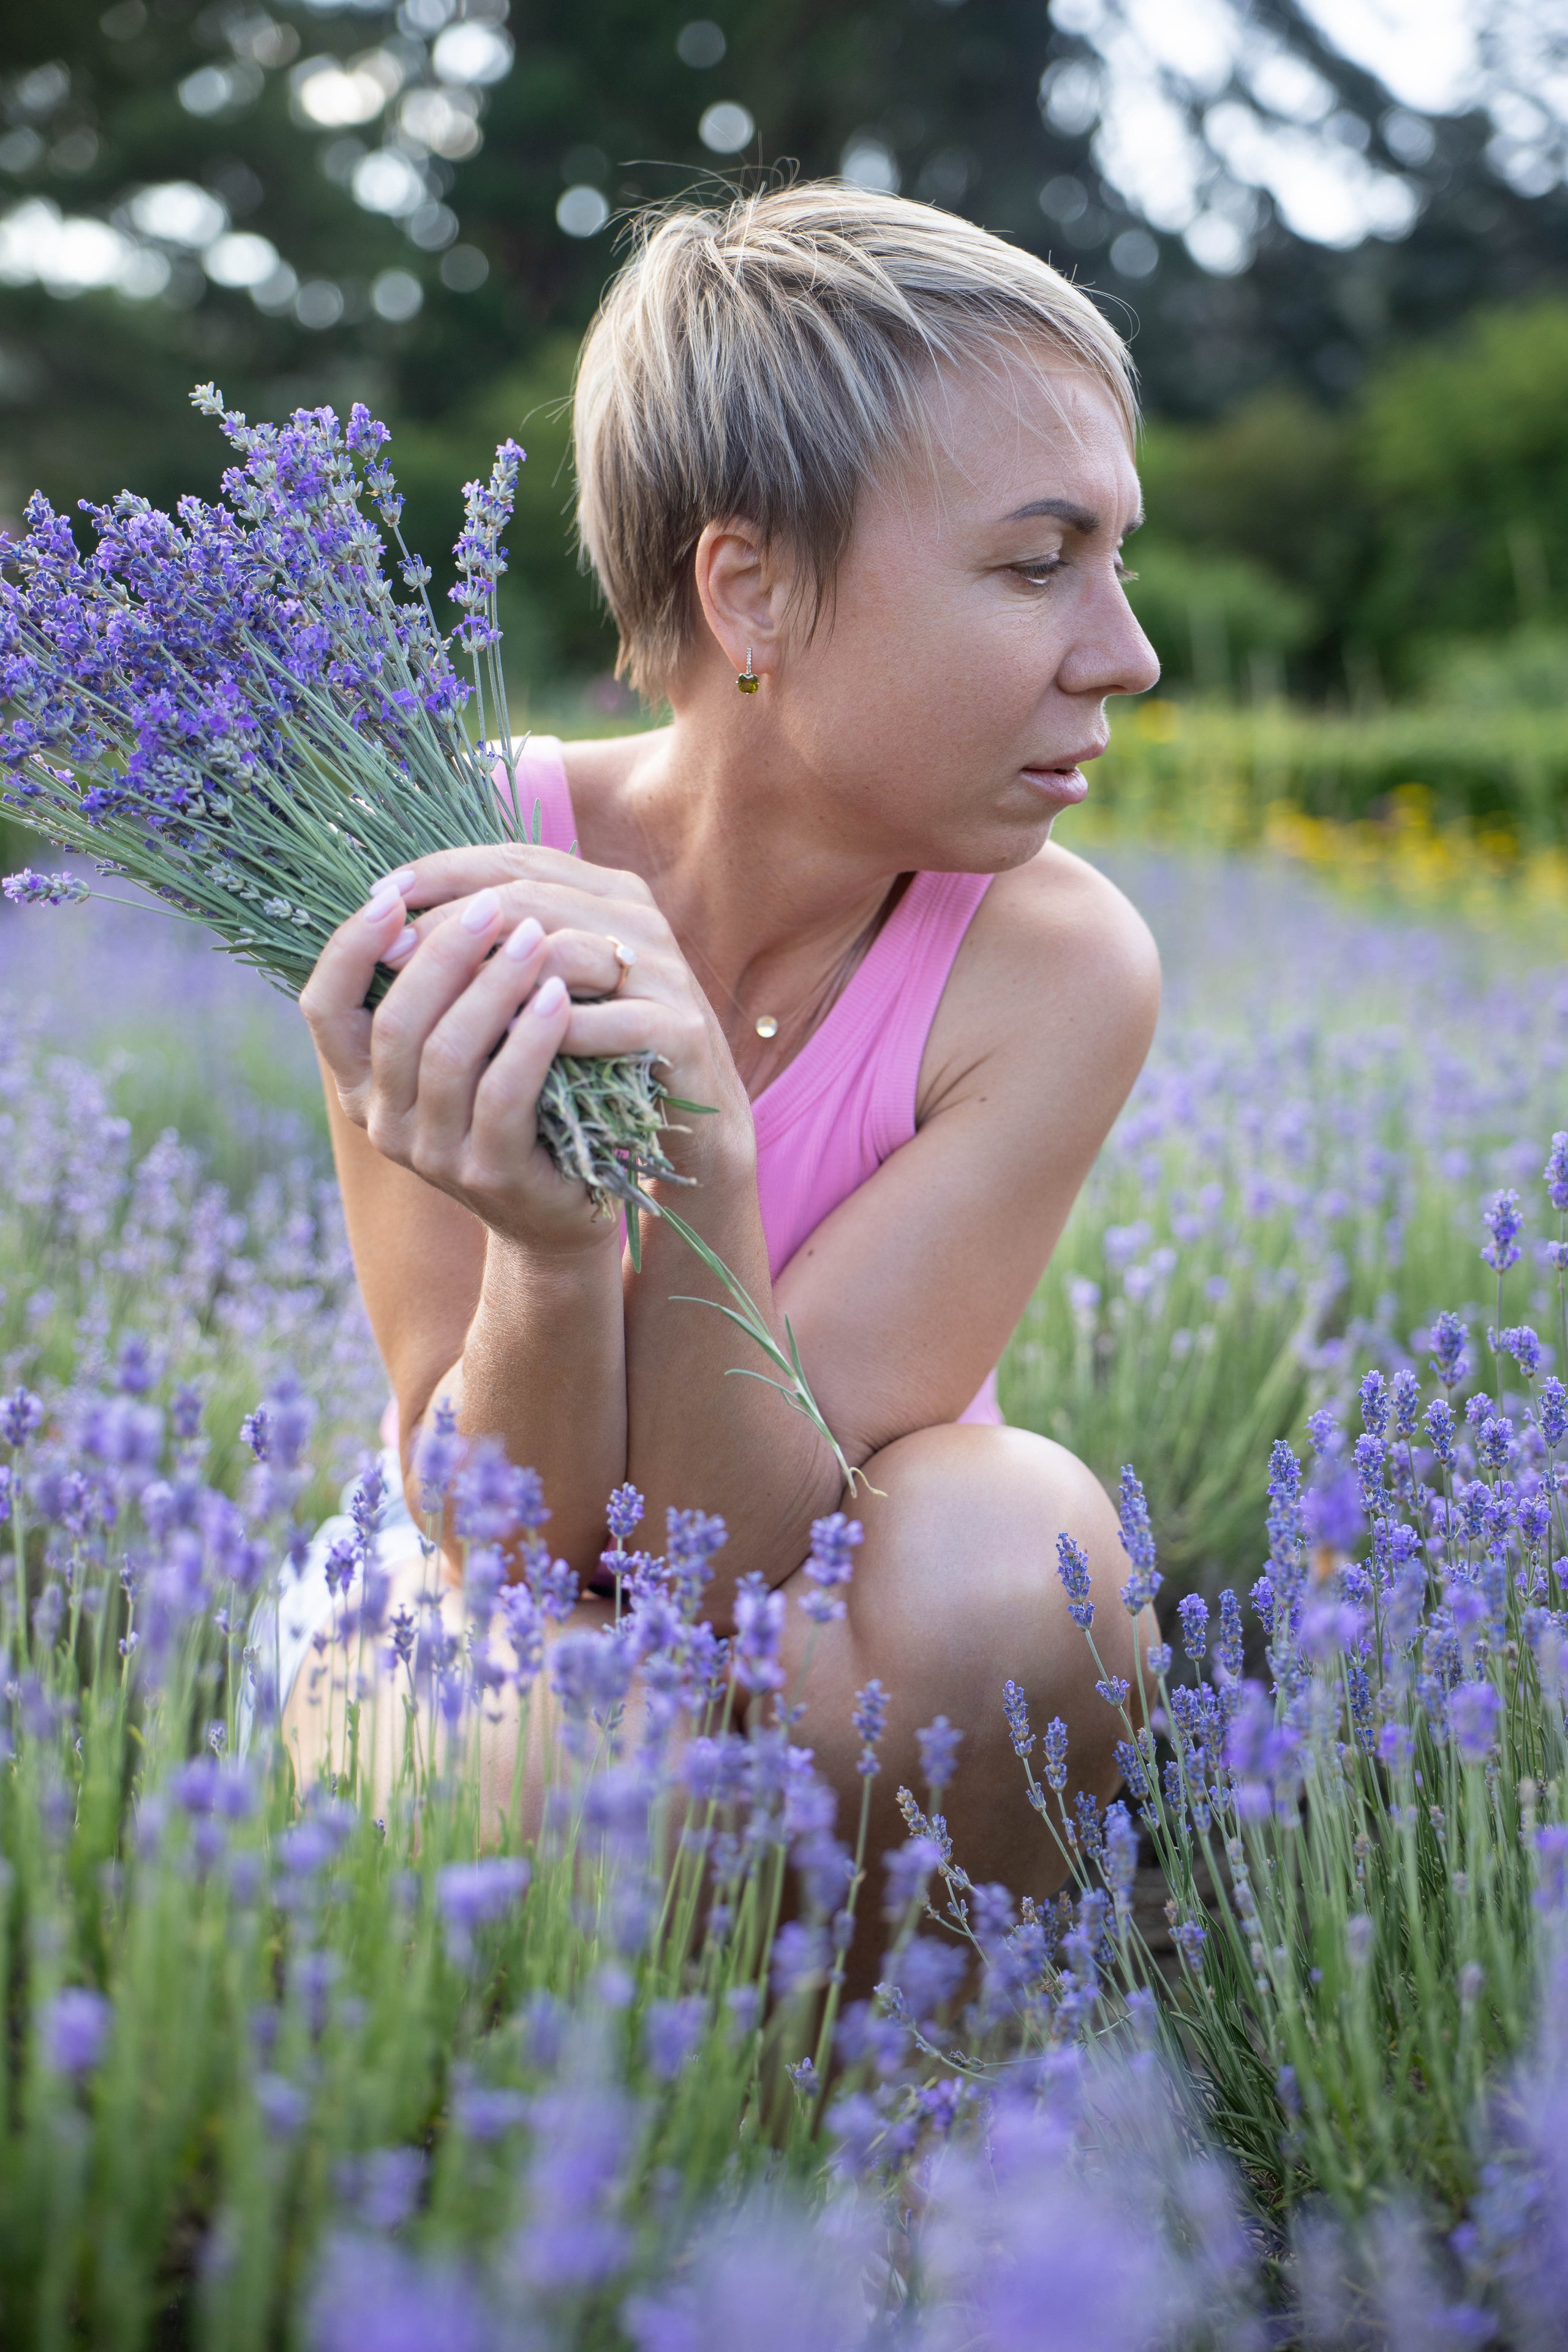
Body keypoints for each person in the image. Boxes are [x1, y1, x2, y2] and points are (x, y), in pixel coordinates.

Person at [293, 183, 1162, 1899]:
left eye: (1117, 563)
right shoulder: (455, 875)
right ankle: (612, 2141)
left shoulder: (1057, 968)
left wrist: (695, 1154)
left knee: (1015, 1557)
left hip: (845, 1621)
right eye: (1039, 564)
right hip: (500, 1630)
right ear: (752, 591)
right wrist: (549, 1258)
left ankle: (932, 2109)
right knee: (559, 1728)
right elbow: (516, 1554)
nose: (1124, 654)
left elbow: (733, 1563)